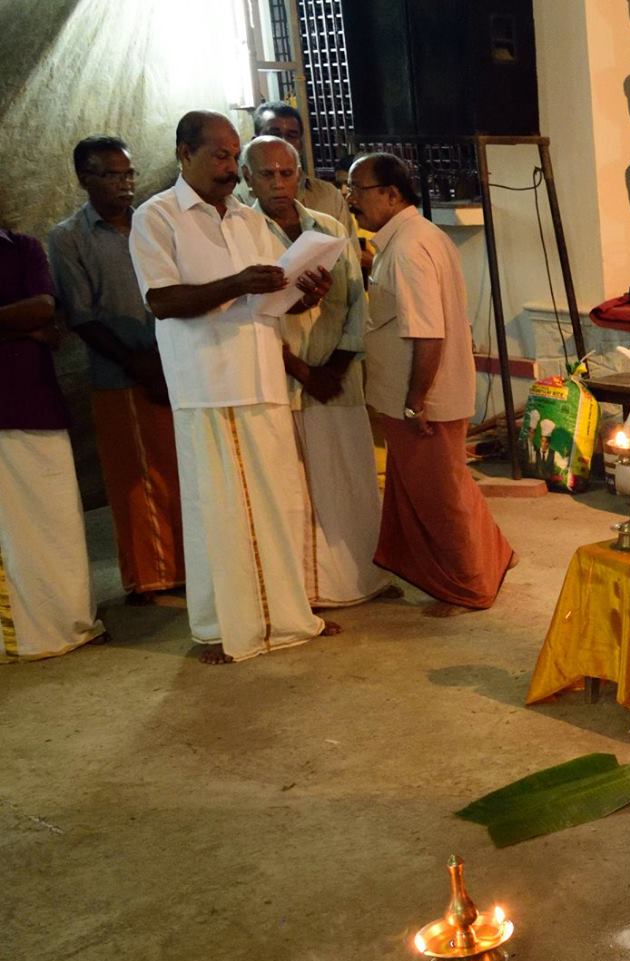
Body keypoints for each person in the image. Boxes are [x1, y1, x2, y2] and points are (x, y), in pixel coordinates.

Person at [131, 110, 336, 664]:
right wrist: (236, 284)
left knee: (278, 502)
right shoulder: (157, 217)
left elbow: (269, 296)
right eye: (219, 156)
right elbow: (162, 301)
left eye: (232, 155)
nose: (229, 167)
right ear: (183, 153)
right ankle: (222, 627)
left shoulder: (248, 221)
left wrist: (304, 293)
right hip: (205, 382)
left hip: (262, 373)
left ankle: (287, 616)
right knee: (217, 510)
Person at [348, 151, 513, 611]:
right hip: (415, 394)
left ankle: (468, 586)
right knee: (438, 488)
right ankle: (492, 557)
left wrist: (415, 400)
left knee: (440, 499)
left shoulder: (406, 249)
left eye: (358, 189)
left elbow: (426, 331)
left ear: (391, 194)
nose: (351, 199)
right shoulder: (416, 237)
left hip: (421, 399)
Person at [244, 135, 389, 609]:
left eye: (287, 173)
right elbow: (253, 318)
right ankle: (306, 590)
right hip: (282, 381)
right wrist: (305, 371)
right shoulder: (242, 234)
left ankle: (359, 577)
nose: (279, 184)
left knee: (349, 479)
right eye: (267, 174)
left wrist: (338, 365)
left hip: (337, 377)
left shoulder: (328, 228)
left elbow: (355, 302)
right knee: (295, 489)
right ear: (248, 179)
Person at [47, 134, 185, 603]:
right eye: (111, 174)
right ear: (85, 178)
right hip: (120, 371)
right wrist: (138, 363)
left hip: (175, 364)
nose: (125, 184)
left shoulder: (152, 222)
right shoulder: (68, 238)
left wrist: (167, 359)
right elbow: (81, 314)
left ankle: (189, 568)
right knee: (135, 480)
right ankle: (148, 579)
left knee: (181, 470)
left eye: (129, 173)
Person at [0, 227, 105, 661]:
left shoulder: (21, 246)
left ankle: (67, 622)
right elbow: (32, 318)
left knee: (56, 522)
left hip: (33, 398)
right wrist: (21, 326)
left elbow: (44, 308)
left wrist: (35, 324)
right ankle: (19, 636)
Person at [239, 101, 353, 234]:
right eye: (274, 134)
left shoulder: (328, 196)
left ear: (300, 144)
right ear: (255, 141)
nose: (283, 142)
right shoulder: (237, 203)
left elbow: (349, 252)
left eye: (291, 136)